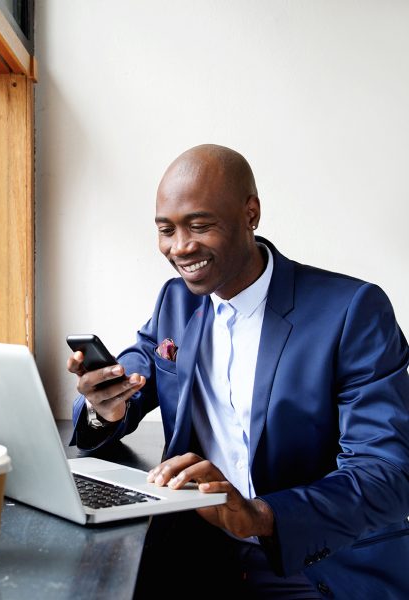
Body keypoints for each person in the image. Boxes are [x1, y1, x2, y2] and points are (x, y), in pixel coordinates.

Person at [66, 144, 409, 599]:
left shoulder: (352, 311)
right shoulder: (177, 301)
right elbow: (137, 366)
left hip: (317, 563)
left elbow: (386, 472)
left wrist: (260, 514)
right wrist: (102, 406)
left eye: (200, 225)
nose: (181, 246)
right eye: (166, 230)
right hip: (199, 553)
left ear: (251, 214)